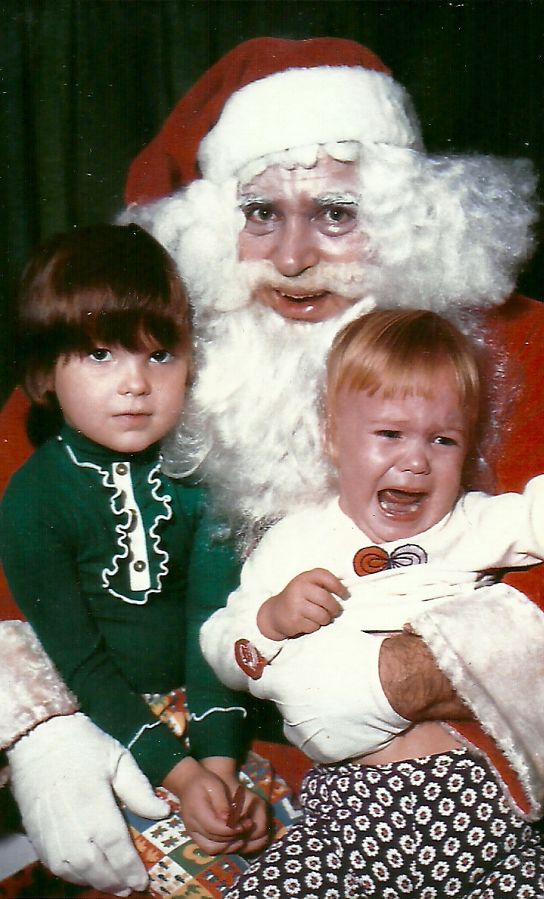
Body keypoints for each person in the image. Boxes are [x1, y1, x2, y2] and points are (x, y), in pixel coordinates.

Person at [0, 37, 544, 895]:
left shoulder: (518, 345)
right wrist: (38, 728)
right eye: (259, 214)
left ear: (404, 219)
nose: (291, 258)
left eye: (334, 213)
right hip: (195, 772)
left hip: (436, 784)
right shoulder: (148, 353)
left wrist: (394, 678)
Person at [201, 308, 544, 897]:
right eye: (390, 435)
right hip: (345, 813)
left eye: (443, 440)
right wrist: (270, 621)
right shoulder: (295, 541)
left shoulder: (470, 523)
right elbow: (224, 643)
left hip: (479, 807)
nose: (416, 461)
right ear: (332, 438)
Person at [0, 224, 274, 894]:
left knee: (274, 845)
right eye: (100, 355)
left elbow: (212, 622)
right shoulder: (32, 503)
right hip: (101, 720)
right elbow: (80, 665)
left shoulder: (204, 477)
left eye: (159, 355)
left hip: (213, 710)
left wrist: (218, 766)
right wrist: (179, 772)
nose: (134, 384)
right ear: (43, 372)